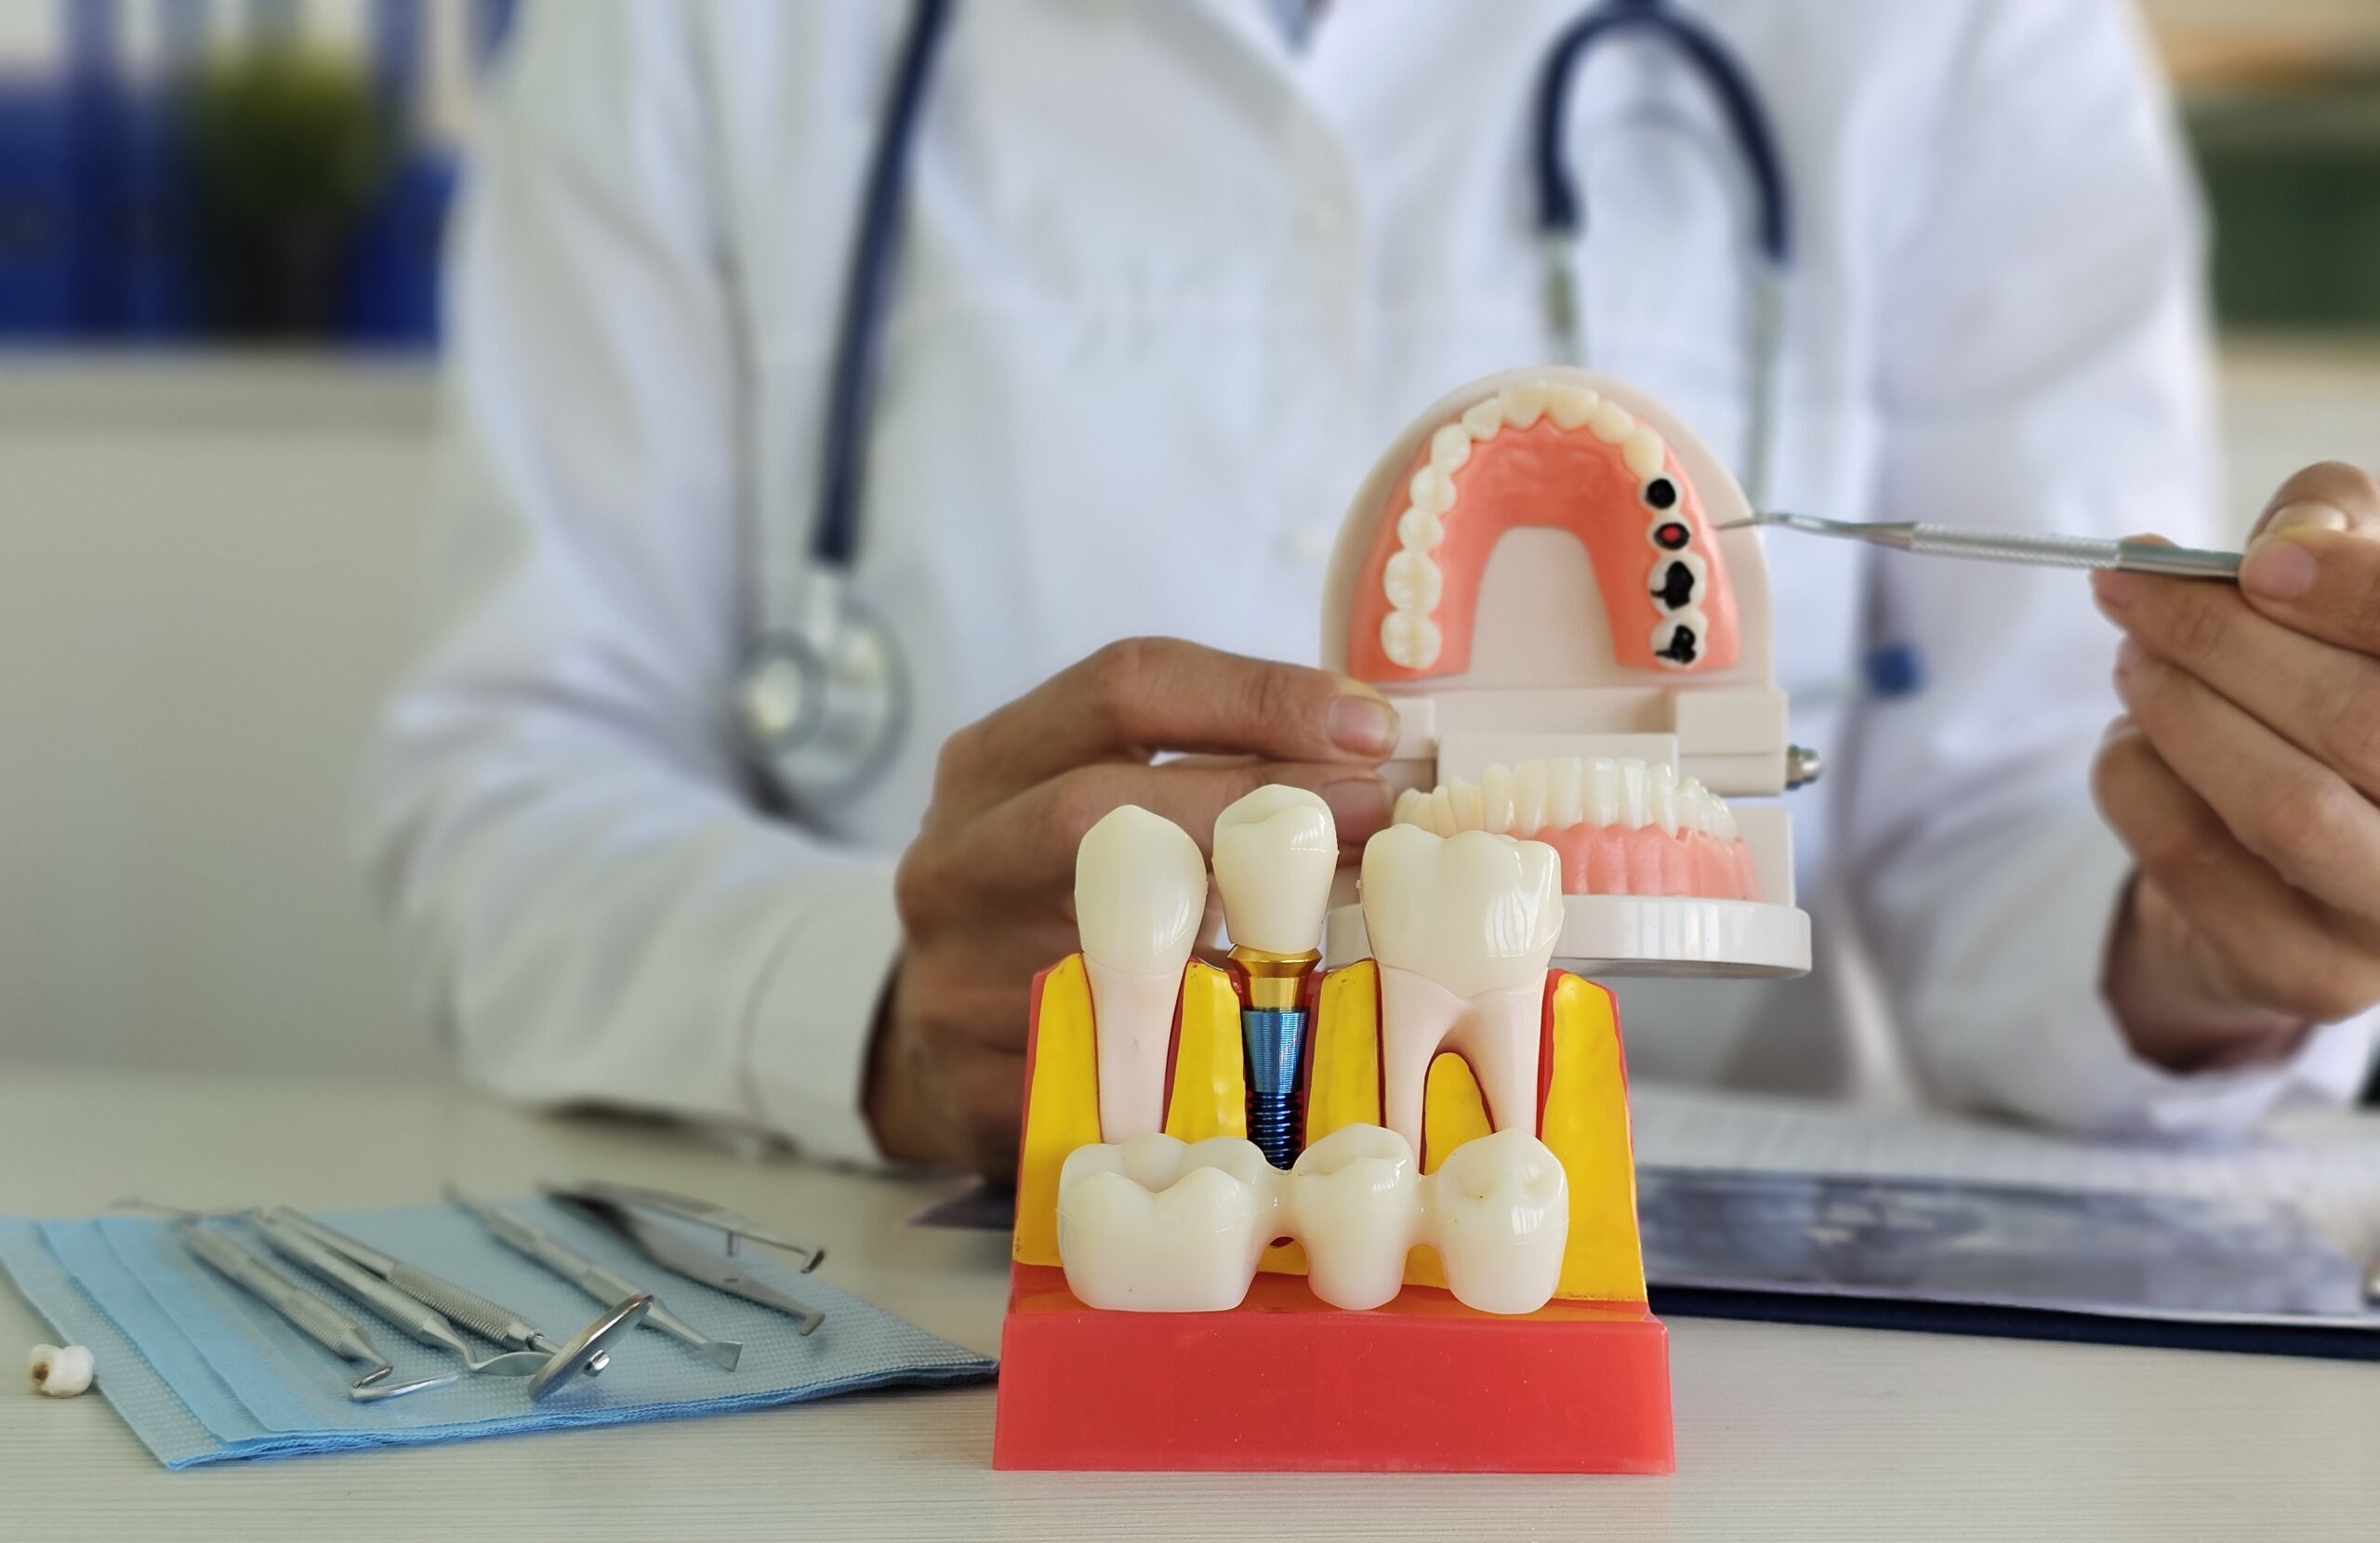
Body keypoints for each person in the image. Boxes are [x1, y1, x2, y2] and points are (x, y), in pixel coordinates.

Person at [357, 0, 2379, 1180]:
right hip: (931, 1337)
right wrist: (872, 998)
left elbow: (2012, 819)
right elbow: (506, 786)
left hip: (1705, 1360)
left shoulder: (1960, 35)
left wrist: (2222, 900)